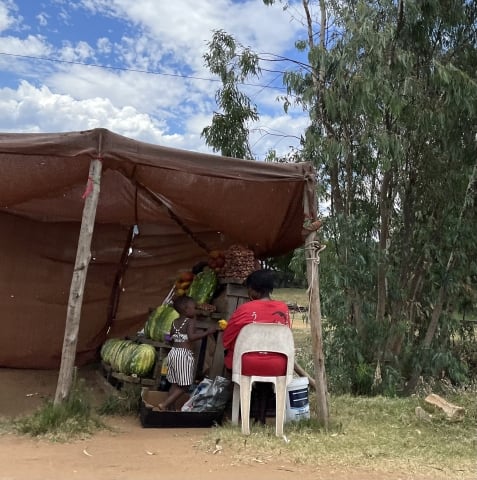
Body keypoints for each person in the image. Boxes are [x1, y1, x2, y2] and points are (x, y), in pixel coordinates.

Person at [222, 269, 291, 424]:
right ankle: (261, 417)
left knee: (234, 358)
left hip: (248, 364)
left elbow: (226, 339)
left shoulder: (245, 309)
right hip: (277, 365)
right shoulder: (283, 309)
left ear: (253, 289)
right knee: (267, 366)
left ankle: (238, 413)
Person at [158, 295, 217, 411]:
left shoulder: (175, 322)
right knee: (185, 386)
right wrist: (207, 332)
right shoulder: (189, 322)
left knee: (175, 384)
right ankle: (164, 404)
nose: (196, 310)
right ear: (186, 309)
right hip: (183, 355)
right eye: (194, 308)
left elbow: (170, 337)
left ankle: (170, 409)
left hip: (173, 353)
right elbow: (191, 337)